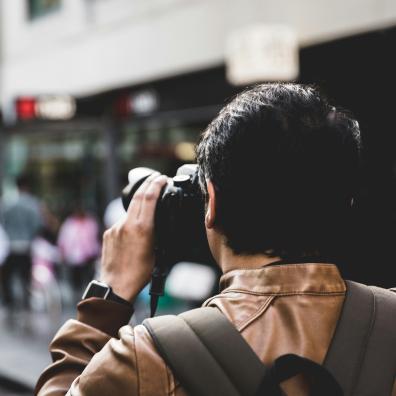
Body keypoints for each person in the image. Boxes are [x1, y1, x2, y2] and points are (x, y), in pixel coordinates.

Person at [35, 84, 394, 395]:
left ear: (212, 201)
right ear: (345, 202)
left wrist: (105, 300)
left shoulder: (146, 357)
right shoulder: (386, 323)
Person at [1, 174, 42, 309]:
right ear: (27, 186)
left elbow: (3, 223)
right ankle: (26, 302)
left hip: (10, 246)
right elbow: (37, 225)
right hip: (26, 245)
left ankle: (10, 303)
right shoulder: (33, 203)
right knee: (26, 277)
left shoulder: (7, 203)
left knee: (8, 277)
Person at [57, 204, 101, 302]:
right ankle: (78, 297)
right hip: (73, 257)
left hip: (89, 256)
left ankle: (88, 296)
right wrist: (63, 253)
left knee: (89, 278)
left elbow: (94, 238)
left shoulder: (91, 223)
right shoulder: (69, 224)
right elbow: (63, 240)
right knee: (76, 280)